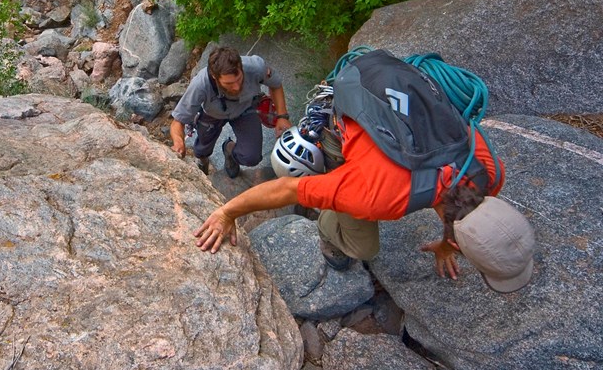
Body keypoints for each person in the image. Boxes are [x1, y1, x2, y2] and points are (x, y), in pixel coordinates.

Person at [193, 115, 536, 293]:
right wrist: (227, 212)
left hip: (390, 116)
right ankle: (328, 221)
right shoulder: (375, 195)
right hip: (346, 128)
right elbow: (285, 188)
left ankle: (333, 191)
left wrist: (447, 244)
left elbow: (456, 197)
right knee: (363, 247)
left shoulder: (488, 173)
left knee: (355, 193)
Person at [170, 46, 292, 178]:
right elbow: (178, 122)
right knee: (201, 149)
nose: (236, 87)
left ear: (240, 67)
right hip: (212, 115)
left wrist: (282, 116)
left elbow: (276, 84)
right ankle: (203, 161)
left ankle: (229, 149)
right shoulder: (200, 85)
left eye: (239, 79)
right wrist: (178, 142)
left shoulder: (256, 67)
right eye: (229, 83)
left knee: (252, 157)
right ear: (214, 77)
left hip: (244, 108)